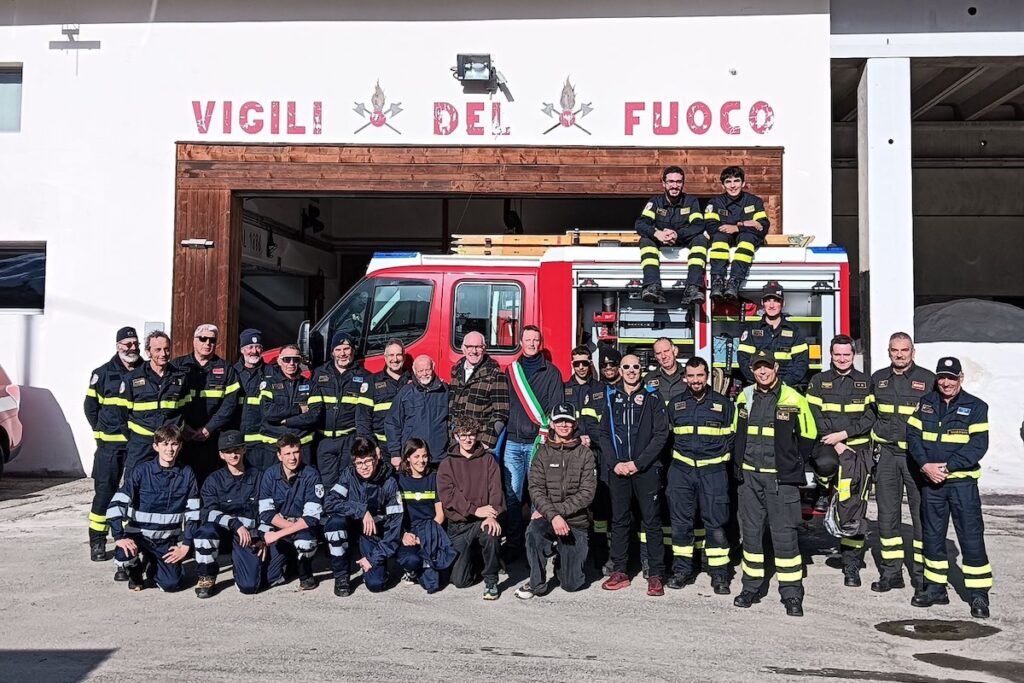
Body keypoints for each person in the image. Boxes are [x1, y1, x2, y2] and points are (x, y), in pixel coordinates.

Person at [731, 350, 817, 617]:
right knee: (751, 537)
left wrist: (792, 465)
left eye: (767, 367)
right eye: (758, 368)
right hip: (750, 478)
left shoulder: (794, 398)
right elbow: (737, 432)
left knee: (785, 538)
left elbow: (809, 435)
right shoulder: (744, 397)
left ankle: (791, 594)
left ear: (776, 368)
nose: (763, 372)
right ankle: (751, 587)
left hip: (780, 480)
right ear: (752, 370)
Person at [907, 357, 993, 619]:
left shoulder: (976, 407)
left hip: (961, 483)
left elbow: (979, 445)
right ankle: (935, 588)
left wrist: (948, 467)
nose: (946, 382)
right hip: (931, 482)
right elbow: (913, 436)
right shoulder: (926, 403)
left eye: (951, 377)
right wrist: (925, 466)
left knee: (970, 536)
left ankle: (978, 593)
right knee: (932, 535)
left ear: (961, 378)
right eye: (942, 377)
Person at [596, 353, 670, 596]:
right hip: (618, 470)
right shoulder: (610, 395)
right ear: (620, 369)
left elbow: (661, 435)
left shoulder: (652, 396)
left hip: (645, 470)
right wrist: (615, 463)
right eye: (626, 367)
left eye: (635, 367)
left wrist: (638, 463)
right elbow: (603, 434)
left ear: (641, 369)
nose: (630, 371)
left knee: (652, 520)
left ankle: (656, 573)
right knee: (619, 520)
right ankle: (620, 570)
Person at [806, 334, 875, 587]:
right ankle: (824, 490)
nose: (842, 359)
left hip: (856, 449)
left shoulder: (865, 382)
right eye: (837, 354)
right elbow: (813, 413)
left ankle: (851, 565)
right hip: (828, 444)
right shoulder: (819, 381)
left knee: (854, 510)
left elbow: (870, 416)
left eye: (847, 354)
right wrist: (834, 440)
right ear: (830, 355)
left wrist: (846, 435)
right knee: (824, 466)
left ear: (853, 354)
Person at [869, 332, 935, 593]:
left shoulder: (927, 380)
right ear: (889, 352)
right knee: (887, 516)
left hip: (916, 459)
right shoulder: (878, 379)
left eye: (904, 350)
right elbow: (870, 413)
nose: (899, 355)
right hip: (887, 456)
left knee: (921, 516)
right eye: (894, 350)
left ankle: (921, 575)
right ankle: (891, 572)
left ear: (912, 352)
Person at [665, 357, 735, 593]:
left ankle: (720, 575)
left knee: (715, 525)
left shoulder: (724, 405)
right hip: (681, 471)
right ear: (685, 377)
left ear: (707, 376)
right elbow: (668, 438)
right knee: (681, 524)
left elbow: (731, 439)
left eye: (700, 375)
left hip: (713, 471)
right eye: (691, 376)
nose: (696, 380)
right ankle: (682, 570)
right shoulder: (675, 404)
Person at [106, 425, 200, 592]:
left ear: (180, 446)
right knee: (123, 553)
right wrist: (119, 536)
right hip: (139, 537)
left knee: (171, 585)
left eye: (174, 444)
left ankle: (154, 565)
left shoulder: (187, 473)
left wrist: (185, 545)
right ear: (156, 446)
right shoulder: (141, 471)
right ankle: (135, 572)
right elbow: (117, 504)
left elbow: (193, 514)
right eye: (165, 444)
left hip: (166, 540)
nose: (170, 449)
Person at [516, 404, 596, 599]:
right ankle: (536, 582)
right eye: (559, 420)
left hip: (575, 521)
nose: (564, 425)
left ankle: (562, 558)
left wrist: (557, 514)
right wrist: (552, 516)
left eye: (568, 421)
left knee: (571, 584)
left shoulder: (585, 454)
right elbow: (535, 488)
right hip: (548, 517)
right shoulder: (542, 453)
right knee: (533, 531)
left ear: (575, 424)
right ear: (551, 424)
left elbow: (587, 493)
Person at [84, 326, 143, 567]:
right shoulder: (102, 373)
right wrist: (100, 433)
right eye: (127, 344)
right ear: (118, 346)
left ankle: (131, 538)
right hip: (109, 446)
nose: (132, 348)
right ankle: (98, 540)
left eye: (135, 344)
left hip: (136, 445)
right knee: (105, 492)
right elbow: (90, 407)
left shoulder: (145, 371)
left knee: (135, 493)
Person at [503, 325, 564, 558]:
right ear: (520, 342)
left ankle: (539, 544)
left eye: (535, 340)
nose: (531, 344)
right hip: (513, 443)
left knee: (539, 496)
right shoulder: (510, 371)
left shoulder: (552, 373)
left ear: (541, 343)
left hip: (538, 442)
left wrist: (549, 438)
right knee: (513, 496)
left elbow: (555, 408)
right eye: (527, 340)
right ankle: (514, 544)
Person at [323, 437, 404, 597]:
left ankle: (374, 565)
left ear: (376, 458)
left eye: (368, 461)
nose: (364, 467)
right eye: (359, 463)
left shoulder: (389, 483)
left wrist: (373, 559)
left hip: (373, 532)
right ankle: (341, 576)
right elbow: (329, 502)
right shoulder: (349, 474)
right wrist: (361, 510)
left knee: (376, 585)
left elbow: (394, 529)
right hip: (352, 526)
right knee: (334, 525)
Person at [437, 417, 506, 600]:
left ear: (477, 436)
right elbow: (448, 496)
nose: (468, 439)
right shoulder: (447, 464)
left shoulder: (488, 460)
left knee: (492, 532)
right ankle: (480, 559)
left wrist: (492, 515)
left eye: (472, 435)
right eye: (463, 435)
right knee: (460, 581)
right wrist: (474, 510)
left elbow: (496, 491)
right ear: (456, 436)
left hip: (483, 520)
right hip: (459, 525)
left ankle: (491, 580)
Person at [192, 430, 266, 598]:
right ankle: (206, 576)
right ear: (221, 455)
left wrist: (263, 537)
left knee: (249, 586)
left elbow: (266, 511)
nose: (233, 454)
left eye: (237, 449)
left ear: (244, 449)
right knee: (205, 533)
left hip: (247, 536)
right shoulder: (213, 480)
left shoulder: (259, 477)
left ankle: (239, 564)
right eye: (228, 451)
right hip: (222, 532)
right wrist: (234, 523)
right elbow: (207, 513)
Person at [174, 324, 241, 483]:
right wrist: (183, 427)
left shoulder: (226, 369)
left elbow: (229, 404)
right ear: (194, 341)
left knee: (209, 479)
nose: (207, 343)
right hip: (183, 436)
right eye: (203, 339)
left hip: (211, 437)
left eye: (212, 340)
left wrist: (208, 429)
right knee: (181, 479)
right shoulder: (177, 366)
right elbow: (170, 401)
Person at [120, 331, 192, 474]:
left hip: (169, 444)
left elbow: (186, 410)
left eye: (166, 349)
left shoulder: (180, 377)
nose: (163, 353)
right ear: (148, 352)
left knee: (171, 482)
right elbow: (122, 415)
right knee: (135, 481)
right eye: (158, 350)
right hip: (141, 443)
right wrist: (137, 436)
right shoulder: (132, 378)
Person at [634, 165, 708, 306]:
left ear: (683, 184)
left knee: (700, 239)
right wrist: (657, 233)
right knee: (645, 240)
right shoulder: (655, 202)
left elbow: (698, 225)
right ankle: (652, 286)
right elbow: (641, 224)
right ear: (664, 183)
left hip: (683, 240)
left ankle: (693, 287)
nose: (674, 186)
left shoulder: (691, 202)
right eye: (671, 182)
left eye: (678, 182)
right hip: (660, 240)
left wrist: (677, 234)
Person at [259, 434, 323, 591]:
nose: (292, 458)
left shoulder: (311, 475)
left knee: (305, 543)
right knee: (271, 578)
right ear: (279, 455)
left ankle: (305, 573)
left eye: (296, 452)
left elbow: (311, 518)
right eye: (287, 453)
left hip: (303, 529)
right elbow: (266, 513)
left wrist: (278, 534)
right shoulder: (269, 475)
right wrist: (288, 529)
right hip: (284, 527)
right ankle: (291, 562)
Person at [308, 331, 372, 490]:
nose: (343, 353)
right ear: (332, 352)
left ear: (353, 350)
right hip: (324, 441)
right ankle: (330, 513)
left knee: (347, 483)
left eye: (346, 349)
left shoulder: (364, 376)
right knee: (327, 484)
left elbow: (365, 413)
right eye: (338, 349)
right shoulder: (318, 374)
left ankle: (346, 514)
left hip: (349, 440)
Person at [396, 438, 456, 594]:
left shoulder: (434, 478)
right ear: (407, 457)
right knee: (411, 560)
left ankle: (427, 564)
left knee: (433, 584)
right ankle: (411, 571)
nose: (421, 461)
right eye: (416, 456)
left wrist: (426, 537)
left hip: (432, 530)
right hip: (410, 532)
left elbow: (440, 515)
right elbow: (395, 515)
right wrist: (403, 534)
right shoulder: (399, 480)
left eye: (424, 456)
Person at [704, 166, 771, 301]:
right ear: (723, 185)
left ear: (743, 183)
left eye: (736, 181)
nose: (733, 185)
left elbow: (762, 227)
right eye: (728, 182)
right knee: (719, 238)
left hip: (746, 237)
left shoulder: (754, 201)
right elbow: (711, 226)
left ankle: (734, 282)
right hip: (724, 238)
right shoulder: (715, 203)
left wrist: (738, 227)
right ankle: (717, 281)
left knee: (747, 239)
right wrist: (748, 223)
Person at [737, 281, 809, 387]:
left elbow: (801, 362)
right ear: (762, 303)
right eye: (768, 300)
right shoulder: (752, 330)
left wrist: (784, 383)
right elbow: (743, 360)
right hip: (758, 386)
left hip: (786, 386)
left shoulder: (794, 331)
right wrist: (760, 381)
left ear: (783, 303)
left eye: (776, 301)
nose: (771, 305)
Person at [257, 344, 319, 468]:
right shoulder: (268, 384)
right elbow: (267, 412)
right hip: (273, 446)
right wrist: (298, 409)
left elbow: (314, 415)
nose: (291, 363)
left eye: (295, 359)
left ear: (300, 361)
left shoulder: (311, 385)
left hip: (301, 446)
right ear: (279, 361)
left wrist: (287, 421)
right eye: (287, 359)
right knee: (272, 483)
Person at [589, 345, 622, 575]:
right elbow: (590, 425)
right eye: (604, 365)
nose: (608, 368)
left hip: (622, 458)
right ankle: (601, 554)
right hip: (602, 459)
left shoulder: (627, 390)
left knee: (622, 509)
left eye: (612, 365)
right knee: (601, 509)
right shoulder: (595, 392)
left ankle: (621, 555)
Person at [448, 331, 510, 452]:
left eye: (478, 347)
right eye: (469, 347)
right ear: (463, 348)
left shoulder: (495, 374)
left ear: (484, 349)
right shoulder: (456, 371)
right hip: (456, 441)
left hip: (479, 442)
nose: (474, 351)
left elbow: (501, 412)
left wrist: (487, 441)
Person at [385, 355, 449, 465]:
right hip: (412, 456)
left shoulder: (445, 391)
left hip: (439, 456)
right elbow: (392, 423)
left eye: (427, 370)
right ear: (414, 372)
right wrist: (395, 453)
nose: (424, 374)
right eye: (420, 371)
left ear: (433, 368)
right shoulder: (405, 393)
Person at [234, 328, 276, 470]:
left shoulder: (272, 373)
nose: (254, 351)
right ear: (242, 350)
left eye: (258, 347)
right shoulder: (233, 373)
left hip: (263, 441)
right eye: (250, 347)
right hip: (238, 440)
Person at [365, 339, 411, 465]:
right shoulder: (372, 382)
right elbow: (363, 419)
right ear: (385, 358)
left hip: (409, 447)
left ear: (404, 357)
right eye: (391, 355)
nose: (395, 359)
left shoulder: (413, 381)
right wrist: (372, 446)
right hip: (382, 448)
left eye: (398, 355)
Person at [563, 344, 602, 448]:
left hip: (596, 446)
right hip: (572, 445)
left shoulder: (601, 388)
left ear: (590, 363)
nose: (581, 367)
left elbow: (606, 422)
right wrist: (577, 438)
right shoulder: (563, 389)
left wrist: (592, 438)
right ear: (572, 364)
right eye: (577, 364)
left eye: (584, 363)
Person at [643, 337, 686, 402]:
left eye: (666, 351)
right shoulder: (648, 379)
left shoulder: (689, 375)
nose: (663, 356)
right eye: (658, 353)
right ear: (655, 357)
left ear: (675, 351)